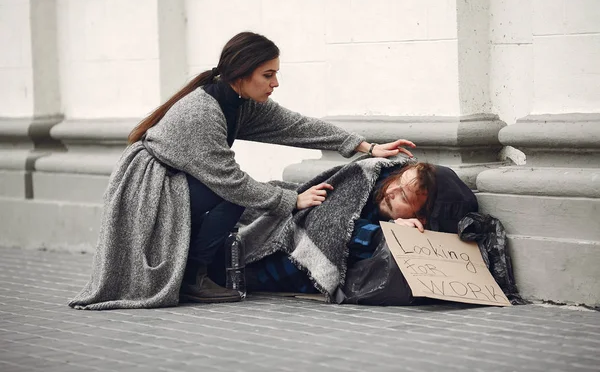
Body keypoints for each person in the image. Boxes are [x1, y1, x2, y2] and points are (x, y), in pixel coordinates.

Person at [68, 31, 417, 310]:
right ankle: (192, 277)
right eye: (268, 74)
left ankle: (197, 270)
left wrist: (366, 147)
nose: (275, 83)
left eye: (275, 74)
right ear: (241, 73)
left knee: (232, 196)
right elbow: (230, 182)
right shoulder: (202, 113)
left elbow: (297, 126)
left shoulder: (238, 103)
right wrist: (292, 199)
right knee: (231, 197)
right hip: (148, 186)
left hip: (175, 179)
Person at [244, 162, 437, 294]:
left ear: (421, 217)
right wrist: (385, 233)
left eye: (403, 196)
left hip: (275, 273)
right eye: (397, 182)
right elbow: (332, 221)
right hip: (268, 244)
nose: (391, 192)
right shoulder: (369, 180)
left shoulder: (419, 226)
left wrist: (395, 233)